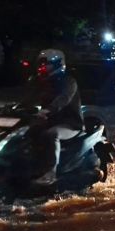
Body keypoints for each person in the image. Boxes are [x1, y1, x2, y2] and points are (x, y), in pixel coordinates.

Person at [24, 49, 83, 185]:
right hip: (51, 120)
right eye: (40, 65)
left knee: (52, 135)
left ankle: (51, 173)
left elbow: (63, 99)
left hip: (70, 124)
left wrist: (48, 110)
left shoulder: (69, 81)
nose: (42, 68)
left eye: (45, 64)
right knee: (28, 133)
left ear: (57, 64)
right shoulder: (43, 82)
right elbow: (30, 98)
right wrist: (15, 108)